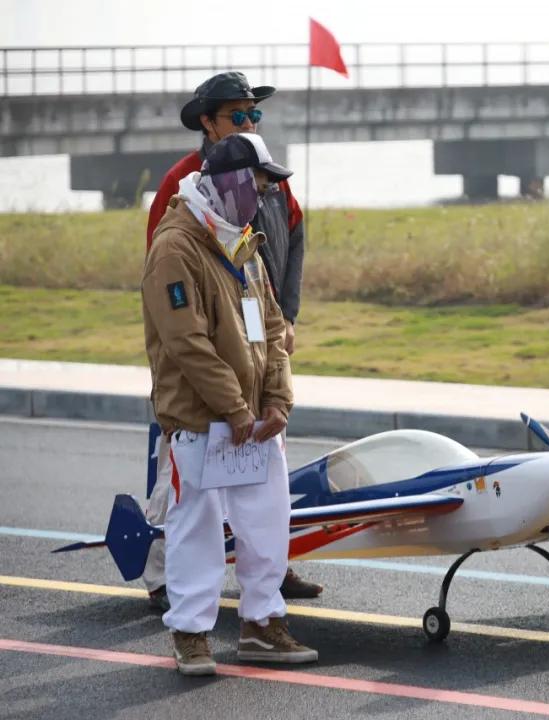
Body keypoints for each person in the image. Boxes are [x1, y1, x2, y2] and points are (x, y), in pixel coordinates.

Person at [143, 71, 321, 611]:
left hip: (258, 339)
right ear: (208, 122)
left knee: (260, 485)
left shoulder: (269, 179)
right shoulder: (182, 183)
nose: (248, 121)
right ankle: (160, 574)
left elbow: (293, 237)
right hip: (204, 358)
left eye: (253, 114)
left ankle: (268, 573)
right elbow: (170, 289)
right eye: (237, 116)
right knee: (185, 481)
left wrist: (284, 318)